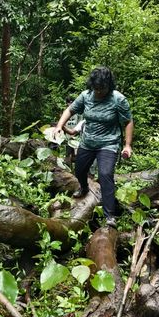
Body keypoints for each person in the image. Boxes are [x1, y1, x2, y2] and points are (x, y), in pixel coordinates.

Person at [54, 66, 133, 229]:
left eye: (102, 88)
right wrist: (60, 126)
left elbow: (128, 122)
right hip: (87, 142)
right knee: (80, 171)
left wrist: (127, 145)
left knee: (105, 175)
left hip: (109, 143)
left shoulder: (118, 99)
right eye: (96, 88)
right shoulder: (86, 96)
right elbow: (70, 110)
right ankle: (84, 187)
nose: (98, 92)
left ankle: (110, 216)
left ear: (108, 86)